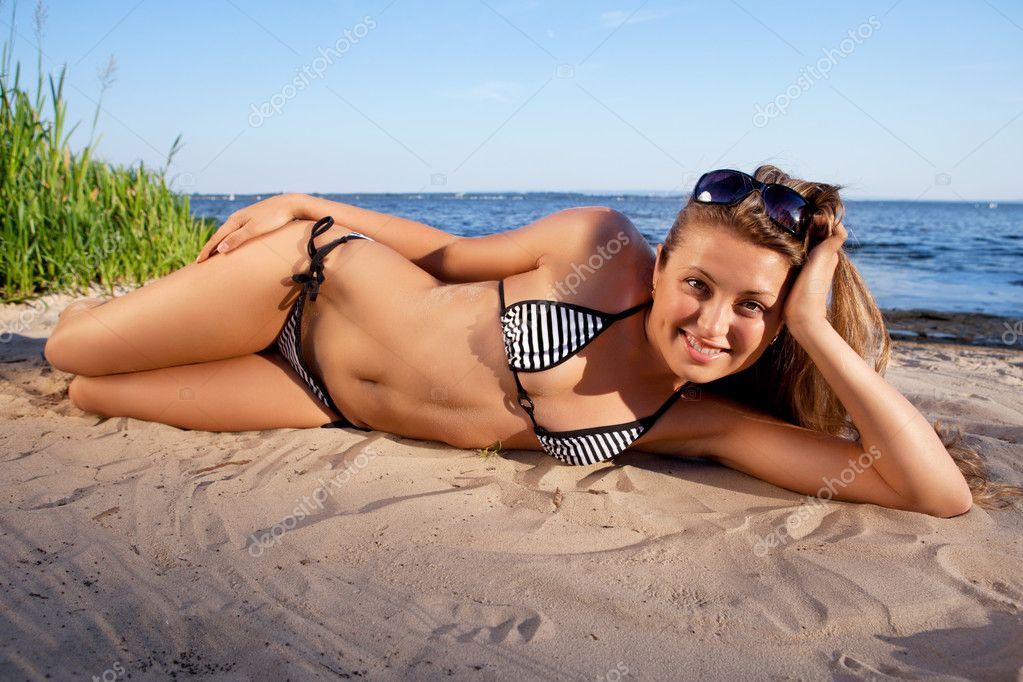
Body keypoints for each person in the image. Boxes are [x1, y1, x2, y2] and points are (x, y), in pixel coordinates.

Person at [43, 165, 1021, 518]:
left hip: (316, 397)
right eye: (697, 284)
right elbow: (446, 254)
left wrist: (815, 325)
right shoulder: (597, 246)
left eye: (753, 307)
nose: (713, 323)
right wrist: (301, 205)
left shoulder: (699, 419)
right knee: (65, 356)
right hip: (309, 282)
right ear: (662, 257)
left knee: (93, 400)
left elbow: (929, 495)